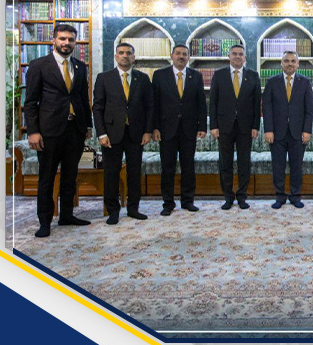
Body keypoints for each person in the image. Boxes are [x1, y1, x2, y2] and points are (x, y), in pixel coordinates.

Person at [24, 23, 93, 238]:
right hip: (48, 132)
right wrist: (33, 131)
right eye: (62, 39)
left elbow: (82, 98)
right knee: (47, 178)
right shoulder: (38, 65)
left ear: (75, 42)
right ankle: (45, 221)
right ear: (53, 40)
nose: (66, 43)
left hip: (75, 130)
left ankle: (67, 215)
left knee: (70, 176)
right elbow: (31, 102)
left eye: (71, 39)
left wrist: (88, 125)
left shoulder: (80, 66)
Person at [92, 42, 153, 224]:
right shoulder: (104, 78)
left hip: (136, 133)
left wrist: (148, 131)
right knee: (111, 173)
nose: (125, 56)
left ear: (133, 57)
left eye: (128, 53)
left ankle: (133, 208)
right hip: (111, 134)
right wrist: (101, 134)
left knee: (134, 172)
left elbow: (150, 107)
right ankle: (113, 211)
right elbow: (98, 107)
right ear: (116, 56)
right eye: (121, 53)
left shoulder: (143, 78)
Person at [151, 44, 207, 216]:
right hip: (166, 129)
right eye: (178, 53)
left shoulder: (196, 76)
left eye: (184, 54)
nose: (181, 56)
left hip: (189, 129)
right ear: (172, 55)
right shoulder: (159, 75)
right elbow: (154, 104)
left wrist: (202, 126)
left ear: (188, 57)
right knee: (167, 168)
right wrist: (155, 127)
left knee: (188, 167)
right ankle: (168, 203)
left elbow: (201, 103)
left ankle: (188, 201)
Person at [209, 43, 261, 210]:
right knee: (225, 163)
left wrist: (255, 126)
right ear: (229, 56)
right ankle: (228, 197)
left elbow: (257, 104)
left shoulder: (253, 75)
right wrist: (213, 125)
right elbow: (213, 101)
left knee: (244, 163)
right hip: (224, 126)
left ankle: (242, 196)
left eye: (240, 54)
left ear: (245, 57)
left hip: (246, 127)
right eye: (234, 54)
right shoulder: (219, 75)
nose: (237, 56)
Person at [263, 50, 313, 209]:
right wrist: (268, 130)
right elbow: (267, 108)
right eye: (286, 61)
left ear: (298, 64)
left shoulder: (305, 82)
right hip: (276, 133)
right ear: (281, 63)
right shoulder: (272, 82)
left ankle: (295, 196)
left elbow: (309, 110)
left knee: (296, 166)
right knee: (278, 166)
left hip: (298, 133)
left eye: (293, 61)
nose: (290, 64)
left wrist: (307, 130)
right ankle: (280, 197)